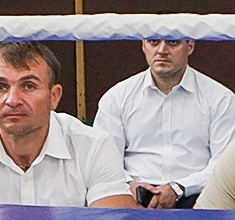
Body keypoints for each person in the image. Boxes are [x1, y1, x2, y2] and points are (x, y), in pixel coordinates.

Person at [0, 42, 136, 208]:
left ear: (54, 97)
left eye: (28, 86)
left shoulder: (94, 146)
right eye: (0, 87)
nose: (12, 100)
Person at [91, 38, 235, 209]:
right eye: (153, 42)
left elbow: (223, 164)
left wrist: (179, 188)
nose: (162, 50)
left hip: (198, 199)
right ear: (143, 45)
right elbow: (104, 159)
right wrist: (130, 185)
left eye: (173, 42)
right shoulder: (116, 97)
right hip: (130, 198)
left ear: (190, 46)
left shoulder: (221, 99)